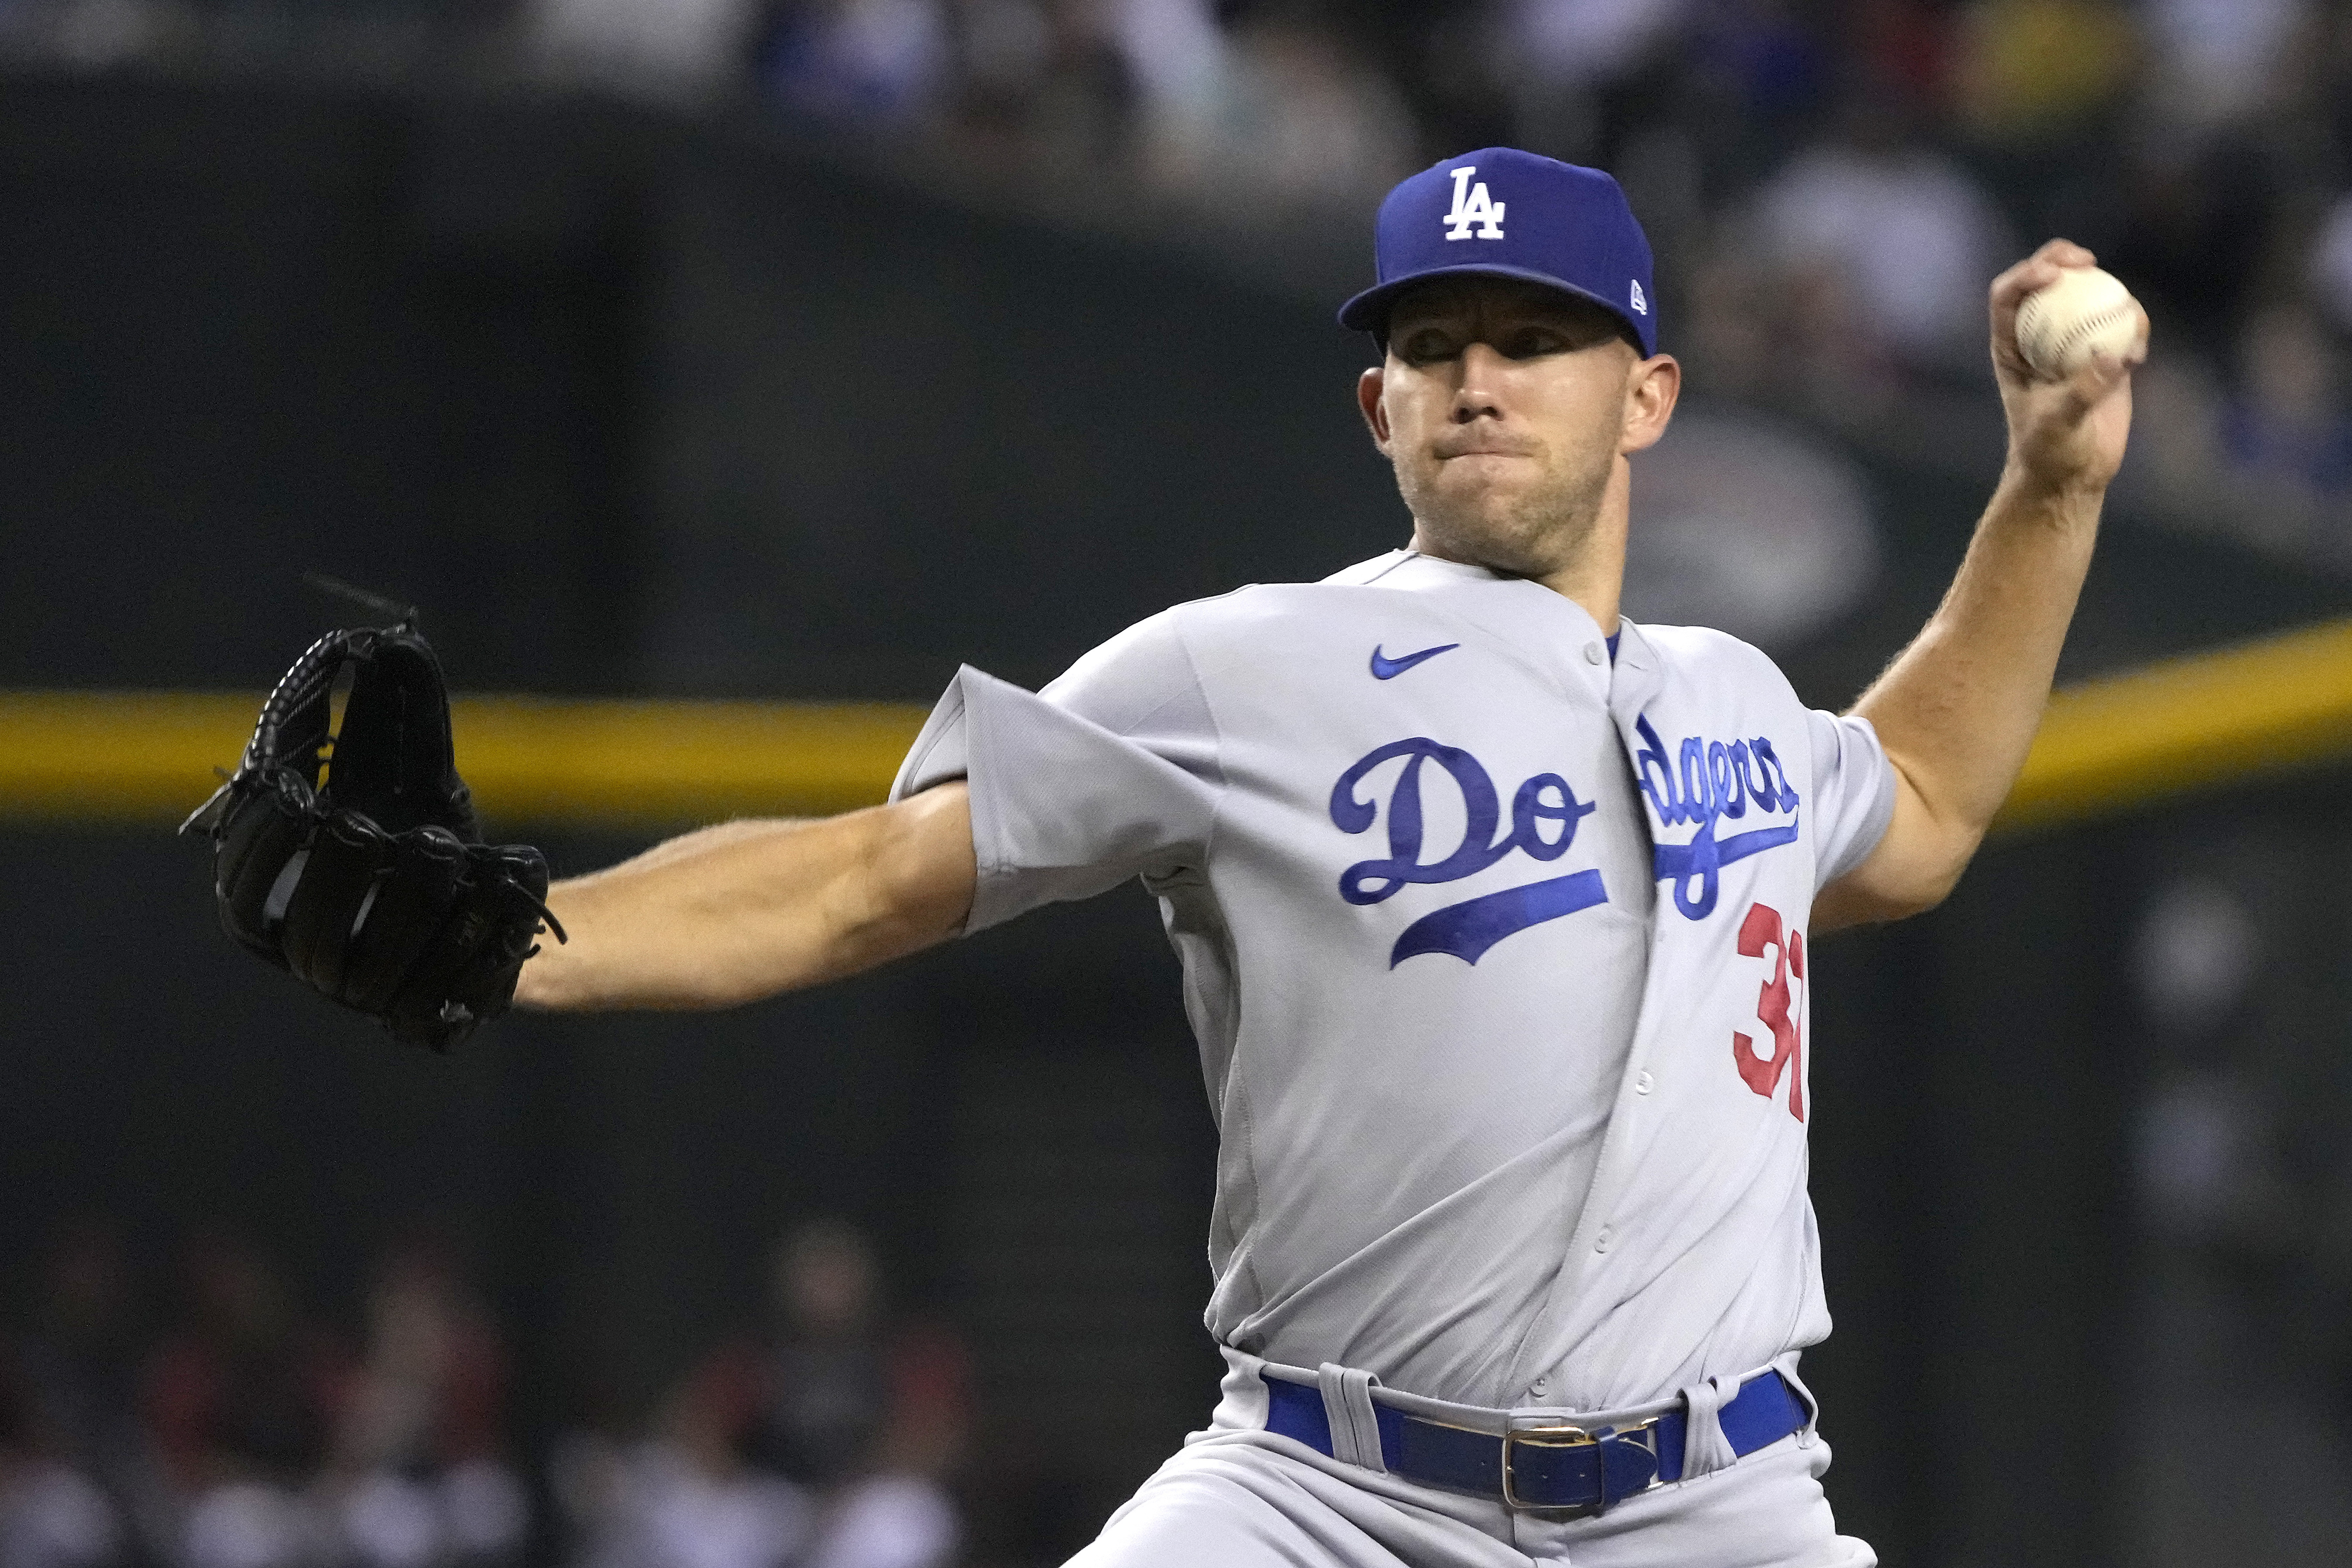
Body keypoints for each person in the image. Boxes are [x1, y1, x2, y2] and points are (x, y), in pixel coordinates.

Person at [516, 148, 2145, 1566]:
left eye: (1534, 338)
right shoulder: (1244, 669)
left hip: (1716, 1506)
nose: (1477, 380)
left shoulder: (1731, 696)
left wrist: (2053, 486)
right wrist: (511, 934)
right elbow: (870, 878)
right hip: (1326, 1499)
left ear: (1647, 393)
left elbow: (1920, 807)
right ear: (1381, 409)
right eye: (1431, 349)